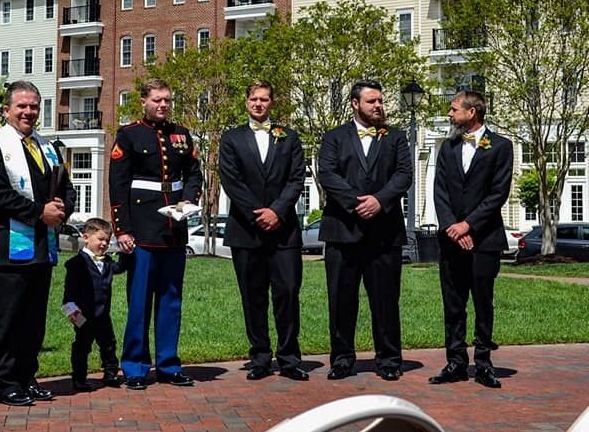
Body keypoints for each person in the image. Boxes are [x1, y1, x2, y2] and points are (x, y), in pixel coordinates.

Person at [0, 80, 75, 406]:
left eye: (33, 106)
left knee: (34, 320)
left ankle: (27, 376)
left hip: (43, 247)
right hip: (12, 249)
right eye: (21, 106)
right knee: (9, 320)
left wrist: (62, 211)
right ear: (7, 111)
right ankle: (5, 384)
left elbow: (66, 187)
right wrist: (39, 213)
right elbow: (0, 197)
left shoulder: (48, 148)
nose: (28, 112)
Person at [109, 78, 203, 390]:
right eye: (157, 100)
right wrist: (122, 229)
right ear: (144, 103)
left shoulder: (182, 135)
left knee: (171, 299)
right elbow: (118, 185)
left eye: (166, 100)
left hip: (174, 230)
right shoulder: (130, 135)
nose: (163, 105)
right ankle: (135, 368)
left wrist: (189, 199)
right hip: (143, 230)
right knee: (139, 303)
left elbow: (193, 173)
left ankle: (169, 364)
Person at [317, 80, 412, 382]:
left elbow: (403, 175)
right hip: (342, 231)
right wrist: (355, 203)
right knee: (341, 300)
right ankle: (342, 359)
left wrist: (379, 201)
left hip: (384, 233)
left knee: (385, 300)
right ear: (355, 104)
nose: (378, 106)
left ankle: (389, 359)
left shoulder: (395, 137)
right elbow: (328, 174)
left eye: (380, 101)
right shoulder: (333, 137)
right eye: (371, 101)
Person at [218, 80, 309, 381]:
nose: (259, 104)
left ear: (272, 102)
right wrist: (259, 213)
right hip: (247, 231)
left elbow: (296, 179)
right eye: (254, 99)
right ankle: (259, 357)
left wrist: (277, 211)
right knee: (253, 296)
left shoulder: (290, 137)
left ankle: (289, 357)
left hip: (284, 232)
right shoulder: (231, 138)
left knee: (288, 292)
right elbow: (231, 181)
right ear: (246, 102)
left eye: (265, 99)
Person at [430, 90, 512, 389]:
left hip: (485, 239)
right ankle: (455, 361)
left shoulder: (501, 147)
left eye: (454, 110)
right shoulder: (448, 147)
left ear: (472, 112)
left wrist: (469, 225)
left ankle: (484, 362)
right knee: (453, 303)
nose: (450, 115)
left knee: (482, 302)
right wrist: (452, 226)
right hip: (451, 240)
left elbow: (497, 193)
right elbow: (439, 190)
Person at [62, 218, 127, 391]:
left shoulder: (107, 262)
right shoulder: (76, 264)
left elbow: (120, 268)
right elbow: (69, 295)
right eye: (100, 239)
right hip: (83, 315)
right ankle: (79, 377)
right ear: (86, 238)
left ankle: (111, 372)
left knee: (108, 343)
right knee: (82, 346)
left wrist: (127, 252)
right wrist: (74, 315)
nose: (104, 244)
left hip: (103, 314)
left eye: (107, 240)